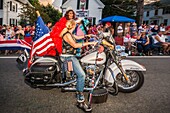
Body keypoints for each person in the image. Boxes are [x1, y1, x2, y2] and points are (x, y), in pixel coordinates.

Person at [60, 19, 97, 111]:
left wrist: (88, 35)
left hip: (70, 56)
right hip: (68, 57)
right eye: (76, 25)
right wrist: (90, 43)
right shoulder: (67, 35)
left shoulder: (70, 33)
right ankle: (80, 100)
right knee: (82, 75)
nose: (77, 26)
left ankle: (76, 83)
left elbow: (77, 37)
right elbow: (75, 45)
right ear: (73, 26)